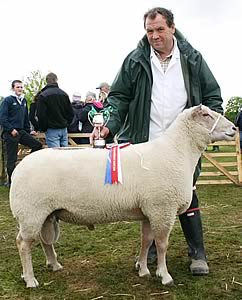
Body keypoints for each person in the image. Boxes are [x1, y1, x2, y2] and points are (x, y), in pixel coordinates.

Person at [91, 7, 224, 275]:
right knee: (149, 197)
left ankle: (197, 252)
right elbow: (118, 98)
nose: (154, 36)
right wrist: (108, 125)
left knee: (187, 191)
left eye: (160, 29)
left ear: (172, 28)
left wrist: (206, 129)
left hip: (181, 145)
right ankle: (150, 251)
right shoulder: (135, 60)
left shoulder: (193, 59)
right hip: (145, 142)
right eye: (149, 31)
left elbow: (212, 97)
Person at [0, 80, 42, 185]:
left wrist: (29, 131)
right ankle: (11, 183)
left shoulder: (23, 101)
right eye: (18, 87)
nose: (20, 89)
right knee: (12, 158)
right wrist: (10, 129)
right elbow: (2, 118)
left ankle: (25, 166)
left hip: (21, 132)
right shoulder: (8, 100)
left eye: (21, 87)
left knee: (37, 145)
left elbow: (26, 118)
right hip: (10, 133)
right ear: (13, 88)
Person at [37, 72, 74, 148]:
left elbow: (41, 115)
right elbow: (71, 113)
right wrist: (66, 123)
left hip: (52, 129)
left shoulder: (43, 95)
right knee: (65, 153)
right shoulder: (64, 94)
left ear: (46, 81)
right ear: (56, 80)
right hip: (63, 128)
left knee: (55, 156)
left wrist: (43, 128)